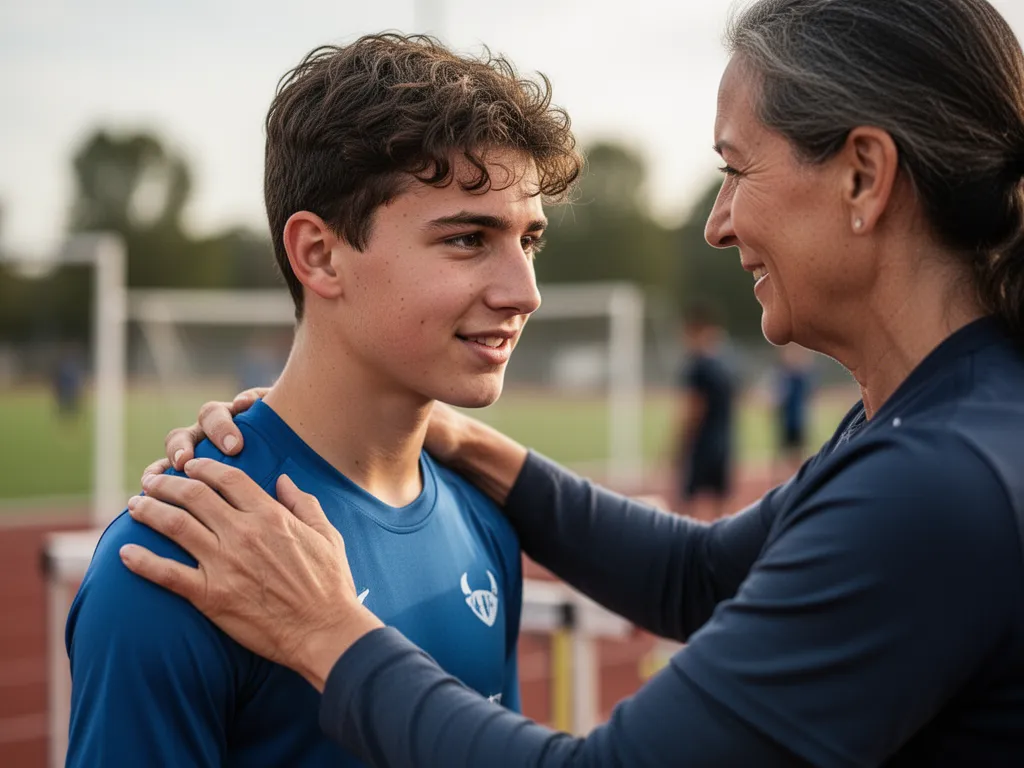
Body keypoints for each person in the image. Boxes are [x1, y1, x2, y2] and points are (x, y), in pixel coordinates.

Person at [126, 0, 1024, 764]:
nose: (717, 223)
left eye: (734, 170)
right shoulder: (934, 417)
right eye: (469, 237)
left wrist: (324, 628)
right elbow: (702, 576)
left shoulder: (943, 477)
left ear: (864, 176)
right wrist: (459, 438)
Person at [65, 34, 581, 767]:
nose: (524, 292)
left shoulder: (485, 520)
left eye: (530, 241)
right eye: (469, 239)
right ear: (319, 254)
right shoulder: (173, 561)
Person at [670, 303, 735, 520]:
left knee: (685, 506)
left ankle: (681, 551)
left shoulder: (697, 367)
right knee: (721, 507)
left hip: (702, 444)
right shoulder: (725, 365)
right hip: (724, 441)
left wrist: (677, 446)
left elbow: (694, 411)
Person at [772, 343, 814, 482]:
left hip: (798, 420)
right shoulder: (783, 375)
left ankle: (797, 480)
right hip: (786, 420)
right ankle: (781, 481)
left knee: (797, 453)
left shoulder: (801, 377)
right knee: (783, 453)